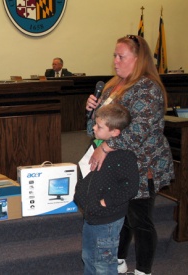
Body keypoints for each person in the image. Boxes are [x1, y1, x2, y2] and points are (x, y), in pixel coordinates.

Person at [85, 35, 174, 275]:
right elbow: (95, 130)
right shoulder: (114, 86)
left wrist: (104, 147)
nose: (115, 60)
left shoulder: (147, 88)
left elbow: (138, 131)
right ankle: (120, 259)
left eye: (121, 56)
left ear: (138, 59)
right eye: (114, 55)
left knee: (139, 219)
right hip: (118, 165)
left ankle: (144, 270)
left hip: (143, 165)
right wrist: (91, 113)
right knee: (120, 215)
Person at [74, 103, 140, 275]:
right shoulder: (97, 146)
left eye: (99, 126)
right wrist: (81, 194)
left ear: (115, 132)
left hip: (107, 219)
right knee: (88, 257)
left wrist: (105, 202)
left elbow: (131, 187)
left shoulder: (125, 155)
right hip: (91, 215)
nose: (93, 128)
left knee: (104, 263)